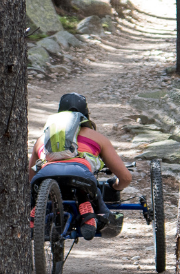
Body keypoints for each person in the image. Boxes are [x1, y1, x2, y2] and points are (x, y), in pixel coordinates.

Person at [29, 93, 132, 239]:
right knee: (89, 187)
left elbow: (30, 175)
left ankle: (36, 211)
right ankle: (90, 214)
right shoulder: (96, 137)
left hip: (46, 175)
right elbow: (126, 177)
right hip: (80, 173)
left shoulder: (42, 139)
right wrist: (115, 186)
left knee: (41, 191)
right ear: (85, 115)